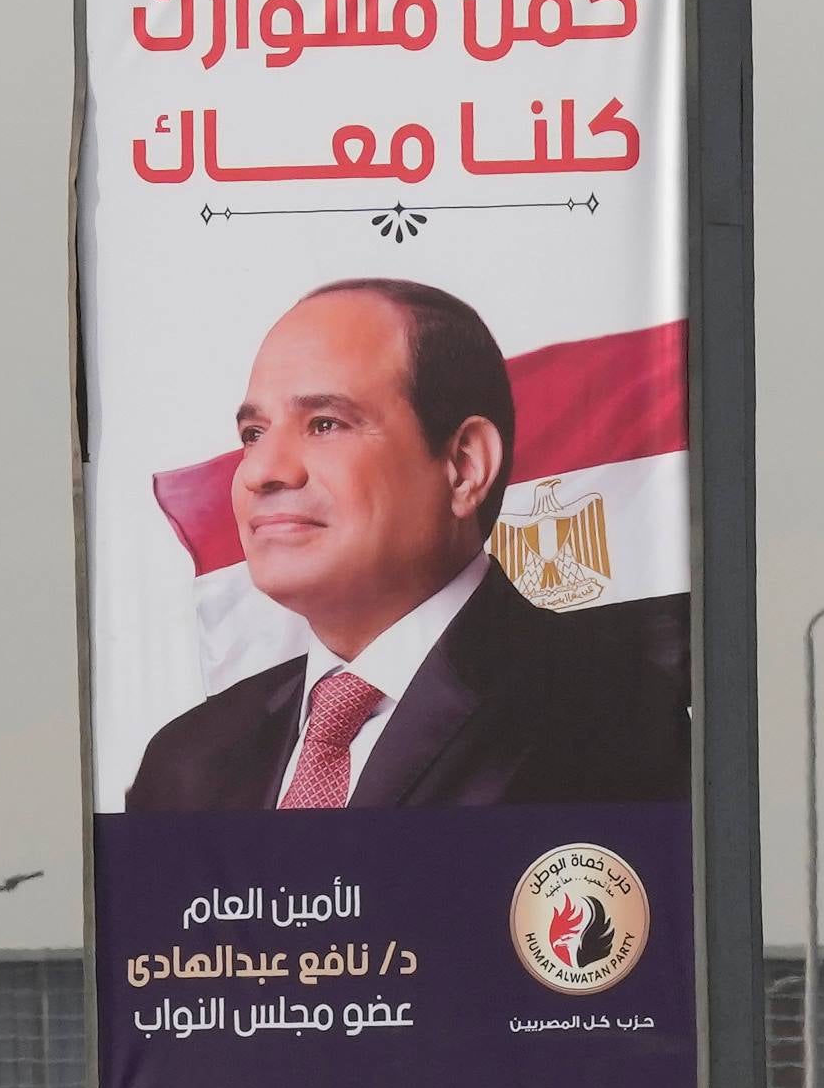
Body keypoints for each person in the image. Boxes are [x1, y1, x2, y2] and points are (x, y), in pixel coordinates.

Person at [122, 279, 685, 813]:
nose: (260, 473)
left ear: (464, 466)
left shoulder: (608, 718)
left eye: (324, 423)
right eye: (253, 434)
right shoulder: (185, 762)